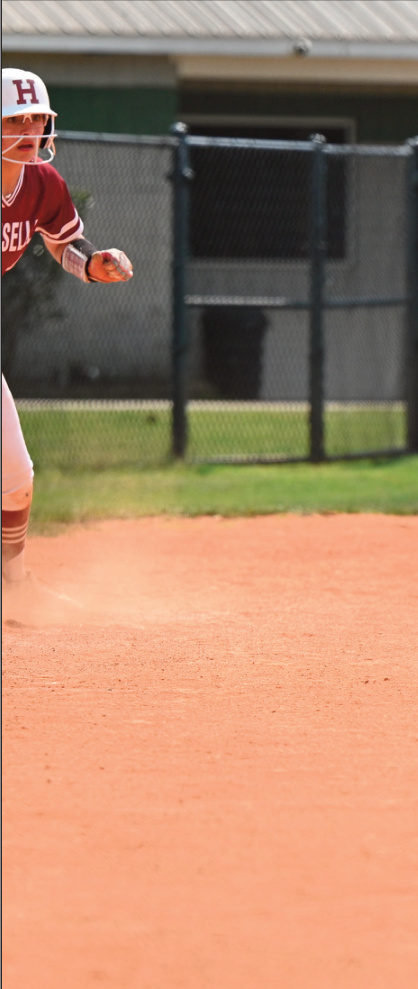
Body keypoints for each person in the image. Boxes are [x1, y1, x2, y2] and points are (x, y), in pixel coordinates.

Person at [2, 67, 133, 614]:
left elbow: (64, 242)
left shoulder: (41, 184)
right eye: (15, 118)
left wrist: (94, 266)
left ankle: (12, 586)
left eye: (37, 117)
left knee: (15, 478)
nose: (30, 129)